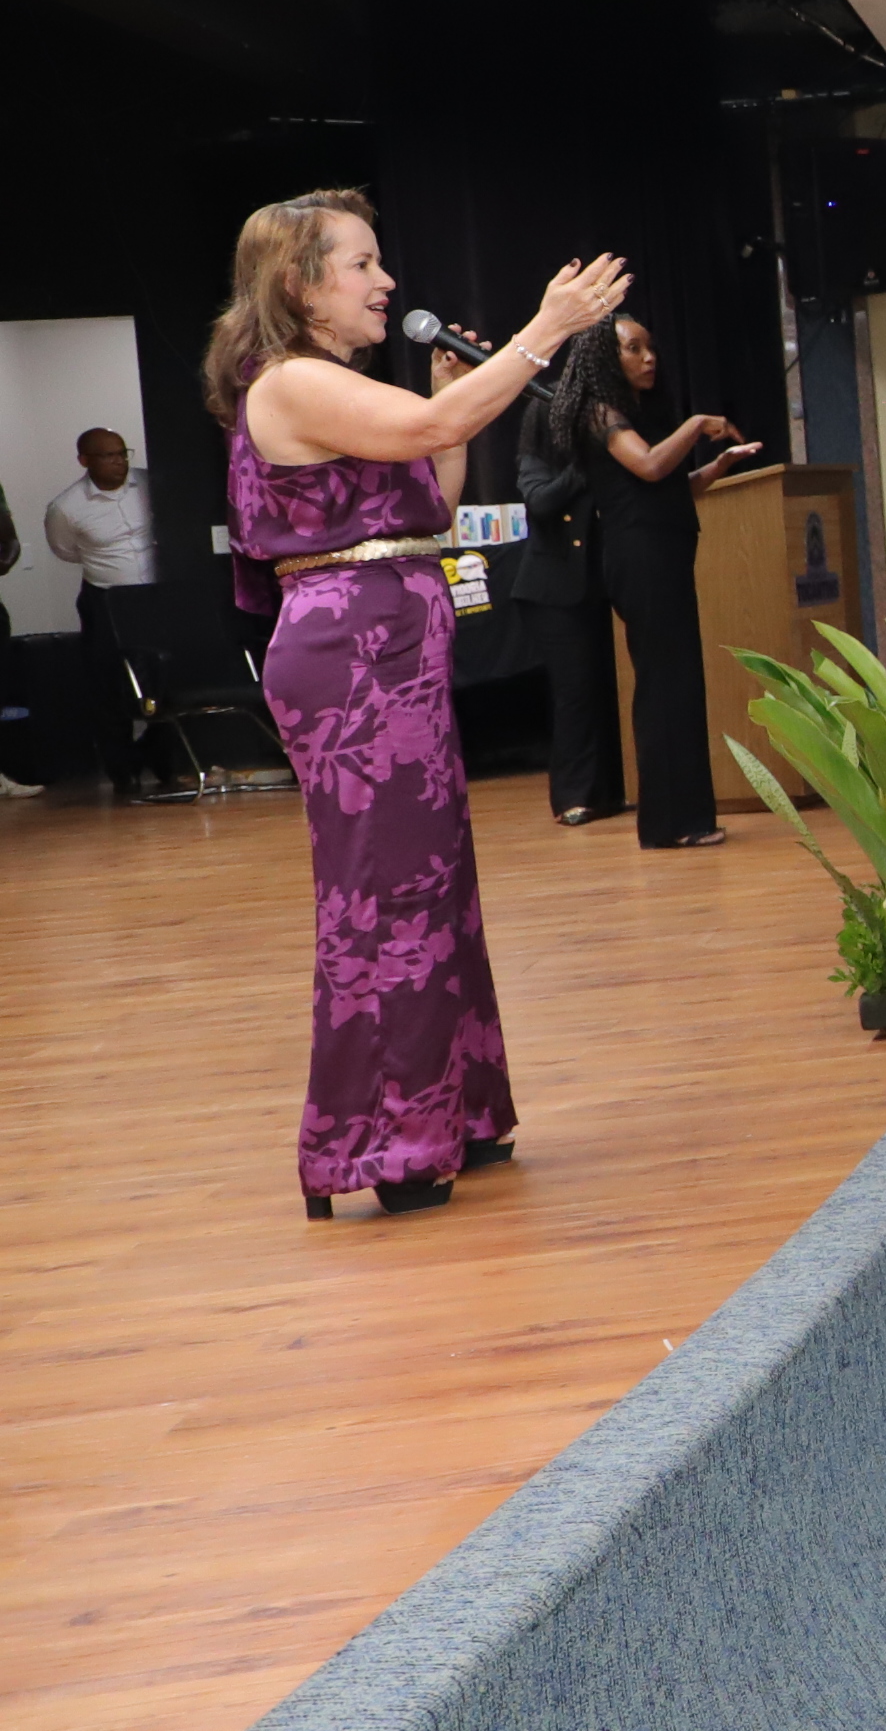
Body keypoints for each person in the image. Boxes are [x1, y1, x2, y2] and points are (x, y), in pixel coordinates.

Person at [210, 197, 624, 1215]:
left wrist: (457, 403)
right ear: (300, 284)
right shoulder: (296, 381)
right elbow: (436, 425)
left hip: (391, 640)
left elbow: (430, 502)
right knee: (384, 902)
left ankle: (453, 1113)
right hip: (349, 657)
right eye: (363, 263)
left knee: (432, 891)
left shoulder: (338, 383)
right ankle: (382, 1146)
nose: (386, 281)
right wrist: (543, 333)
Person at [560, 311, 761, 848]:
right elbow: (649, 466)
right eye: (633, 348)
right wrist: (696, 425)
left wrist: (718, 466)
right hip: (639, 559)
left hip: (665, 555)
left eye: (650, 347)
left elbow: (669, 486)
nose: (648, 358)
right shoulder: (600, 412)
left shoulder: (637, 412)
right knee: (662, 688)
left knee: (680, 684)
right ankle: (666, 824)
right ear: (607, 357)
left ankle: (690, 818)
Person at [504, 374, 620, 828]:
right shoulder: (538, 460)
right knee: (575, 692)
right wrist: (582, 468)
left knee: (604, 687)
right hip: (551, 594)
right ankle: (572, 796)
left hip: (598, 587)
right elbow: (541, 503)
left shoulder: (610, 459)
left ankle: (608, 791)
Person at [43, 425, 157, 790]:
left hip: (156, 597)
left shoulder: (149, 484)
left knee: (161, 677)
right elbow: (65, 550)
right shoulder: (66, 507)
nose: (119, 462)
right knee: (110, 687)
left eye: (123, 453)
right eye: (108, 455)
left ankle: (165, 759)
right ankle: (122, 772)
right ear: (85, 461)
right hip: (106, 599)